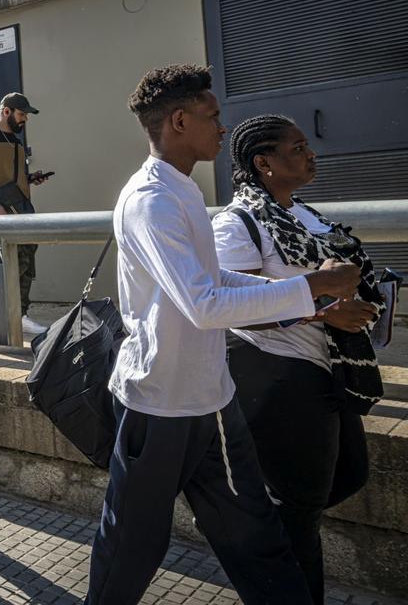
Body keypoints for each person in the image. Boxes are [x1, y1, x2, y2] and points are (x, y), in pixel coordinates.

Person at [86, 64, 361, 605]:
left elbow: (211, 278)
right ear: (180, 121)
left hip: (214, 400)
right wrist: (309, 288)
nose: (224, 127)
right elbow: (204, 304)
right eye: (214, 117)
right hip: (159, 406)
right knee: (133, 546)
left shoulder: (182, 189)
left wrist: (310, 291)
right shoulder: (151, 200)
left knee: (258, 538)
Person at [213, 114, 381, 605]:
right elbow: (237, 309)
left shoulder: (306, 216)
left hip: (332, 369)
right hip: (277, 373)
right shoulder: (238, 223)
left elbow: (342, 273)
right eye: (298, 148)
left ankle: (265, 541)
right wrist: (324, 312)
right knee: (299, 509)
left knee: (349, 476)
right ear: (263, 163)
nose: (311, 154)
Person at [0, 93, 52, 335]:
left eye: (26, 114)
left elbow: (10, 175)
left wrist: (31, 179)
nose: (25, 118)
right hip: (2, 206)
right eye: (21, 113)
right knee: (15, 259)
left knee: (28, 254)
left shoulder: (16, 142)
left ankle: (20, 313)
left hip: (21, 204)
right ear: (6, 111)